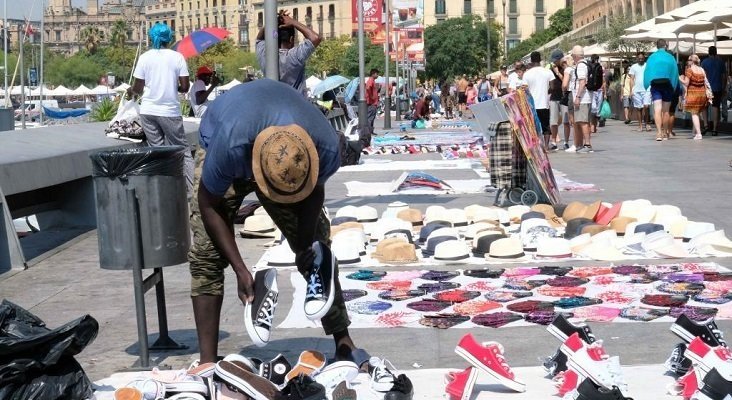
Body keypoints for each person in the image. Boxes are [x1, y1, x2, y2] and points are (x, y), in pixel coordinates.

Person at [188, 79, 371, 374]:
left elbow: (315, 193)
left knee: (318, 246)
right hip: (228, 136)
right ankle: (207, 361)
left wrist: (304, 246)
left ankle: (343, 340)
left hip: (271, 140)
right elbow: (208, 204)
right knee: (206, 253)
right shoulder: (229, 147)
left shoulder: (324, 147)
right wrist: (239, 267)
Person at [127, 22, 193, 196]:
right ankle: (191, 192)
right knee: (181, 150)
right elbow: (185, 87)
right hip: (169, 111)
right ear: (168, 38)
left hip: (148, 111)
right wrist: (173, 87)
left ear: (152, 37)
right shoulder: (177, 57)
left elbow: (138, 88)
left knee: (157, 150)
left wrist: (130, 91)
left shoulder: (144, 57)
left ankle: (164, 191)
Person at [255, 10, 321, 96]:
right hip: (296, 107)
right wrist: (293, 22)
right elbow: (315, 38)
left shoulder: (264, 55)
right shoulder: (295, 56)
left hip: (272, 106)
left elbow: (259, 39)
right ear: (291, 39)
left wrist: (272, 22)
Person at [644, 39, 680, 142]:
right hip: (667, 84)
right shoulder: (670, 57)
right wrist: (673, 86)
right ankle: (665, 132)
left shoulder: (651, 57)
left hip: (655, 84)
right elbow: (675, 73)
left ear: (656, 46)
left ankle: (659, 133)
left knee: (657, 109)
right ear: (665, 46)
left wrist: (646, 84)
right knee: (666, 111)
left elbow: (647, 71)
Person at [524, 51, 555, 149]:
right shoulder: (547, 71)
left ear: (531, 61)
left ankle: (536, 146)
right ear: (540, 59)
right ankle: (546, 146)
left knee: (532, 126)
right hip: (544, 103)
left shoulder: (527, 74)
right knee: (546, 126)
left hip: (532, 105)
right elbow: (552, 87)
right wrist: (545, 91)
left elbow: (524, 89)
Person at [681, 54, 712, 140]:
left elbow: (686, 83)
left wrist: (680, 79)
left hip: (693, 94)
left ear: (691, 61)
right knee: (697, 113)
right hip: (702, 94)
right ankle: (694, 132)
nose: (687, 61)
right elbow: (705, 82)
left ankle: (698, 134)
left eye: (688, 60)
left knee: (694, 114)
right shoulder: (702, 70)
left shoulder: (689, 70)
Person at [570, 45, 593, 153]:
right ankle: (584, 144)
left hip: (583, 98)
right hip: (586, 98)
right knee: (583, 121)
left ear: (575, 56)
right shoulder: (585, 64)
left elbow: (582, 82)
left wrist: (578, 97)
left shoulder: (580, 66)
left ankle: (587, 145)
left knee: (583, 122)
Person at [701, 46, 727, 136]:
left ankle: (705, 125)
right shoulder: (721, 62)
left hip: (706, 88)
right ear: (716, 52)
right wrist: (723, 88)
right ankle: (715, 129)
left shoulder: (704, 62)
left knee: (705, 107)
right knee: (715, 107)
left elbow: (702, 76)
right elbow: (724, 76)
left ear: (709, 52)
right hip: (717, 88)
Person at [629, 53, 651, 132]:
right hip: (637, 90)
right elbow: (631, 79)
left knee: (646, 107)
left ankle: (647, 123)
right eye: (639, 58)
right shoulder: (633, 67)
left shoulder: (647, 65)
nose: (641, 59)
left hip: (646, 89)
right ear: (637, 58)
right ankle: (640, 125)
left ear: (644, 58)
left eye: (642, 58)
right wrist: (631, 90)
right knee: (639, 108)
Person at [548, 49, 565, 150]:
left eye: (556, 60)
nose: (554, 62)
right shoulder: (550, 70)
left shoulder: (565, 69)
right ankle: (553, 140)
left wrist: (558, 72)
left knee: (564, 120)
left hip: (563, 97)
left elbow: (565, 81)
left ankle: (565, 141)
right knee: (553, 120)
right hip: (554, 97)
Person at [561, 55, 576, 152]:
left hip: (570, 94)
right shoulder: (575, 69)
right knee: (576, 121)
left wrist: (563, 91)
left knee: (572, 121)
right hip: (576, 94)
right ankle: (578, 142)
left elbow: (565, 84)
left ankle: (575, 144)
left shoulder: (567, 70)